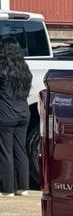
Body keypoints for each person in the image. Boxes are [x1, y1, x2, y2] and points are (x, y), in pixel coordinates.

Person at [0, 38, 32, 197]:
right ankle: (23, 187)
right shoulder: (25, 70)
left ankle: (7, 189)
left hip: (5, 115)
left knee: (5, 151)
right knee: (20, 150)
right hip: (23, 114)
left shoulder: (1, 70)